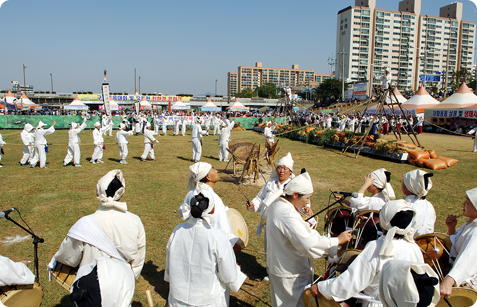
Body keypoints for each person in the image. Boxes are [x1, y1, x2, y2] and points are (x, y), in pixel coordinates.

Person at [48, 169, 145, 307]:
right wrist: (129, 281)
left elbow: (68, 256)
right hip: (122, 284)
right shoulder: (135, 221)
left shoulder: (84, 224)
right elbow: (138, 259)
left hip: (90, 287)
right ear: (122, 193)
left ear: (97, 193)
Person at [311, 199, 424, 307]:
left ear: (384, 221)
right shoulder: (415, 249)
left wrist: (322, 288)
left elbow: (352, 280)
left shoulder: (377, 247)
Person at [266, 172, 352, 307]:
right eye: (307, 198)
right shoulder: (286, 213)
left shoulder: (279, 205)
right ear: (295, 195)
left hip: (282, 268)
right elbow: (308, 243)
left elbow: (296, 231)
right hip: (291, 273)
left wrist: (307, 224)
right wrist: (336, 241)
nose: (308, 202)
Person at [166, 189, 246, 307]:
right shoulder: (217, 237)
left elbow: (169, 262)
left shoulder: (177, 231)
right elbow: (228, 275)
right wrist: (236, 273)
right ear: (212, 209)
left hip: (178, 297)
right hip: (207, 300)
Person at [179, 162, 239, 249]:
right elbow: (222, 225)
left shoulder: (191, 193)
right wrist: (231, 244)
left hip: (194, 239)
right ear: (208, 177)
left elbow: (182, 211)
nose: (217, 171)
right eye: (213, 169)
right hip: (211, 243)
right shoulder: (213, 198)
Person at [246, 152, 295, 240]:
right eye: (279, 168)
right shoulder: (271, 183)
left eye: (285, 169)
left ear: (290, 171)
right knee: (268, 249)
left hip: (284, 224)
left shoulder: (293, 185)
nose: (281, 171)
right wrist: (253, 204)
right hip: (268, 223)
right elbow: (261, 197)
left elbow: (301, 201)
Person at [440, 187, 477, 298]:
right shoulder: (470, 223)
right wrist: (451, 229)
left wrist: (449, 280)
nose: (463, 203)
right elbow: (458, 245)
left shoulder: (475, 231)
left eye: (468, 201)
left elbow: (468, 258)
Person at [402, 170, 436, 237]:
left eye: (403, 182)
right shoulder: (429, 205)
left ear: (409, 186)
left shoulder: (405, 205)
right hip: (425, 243)